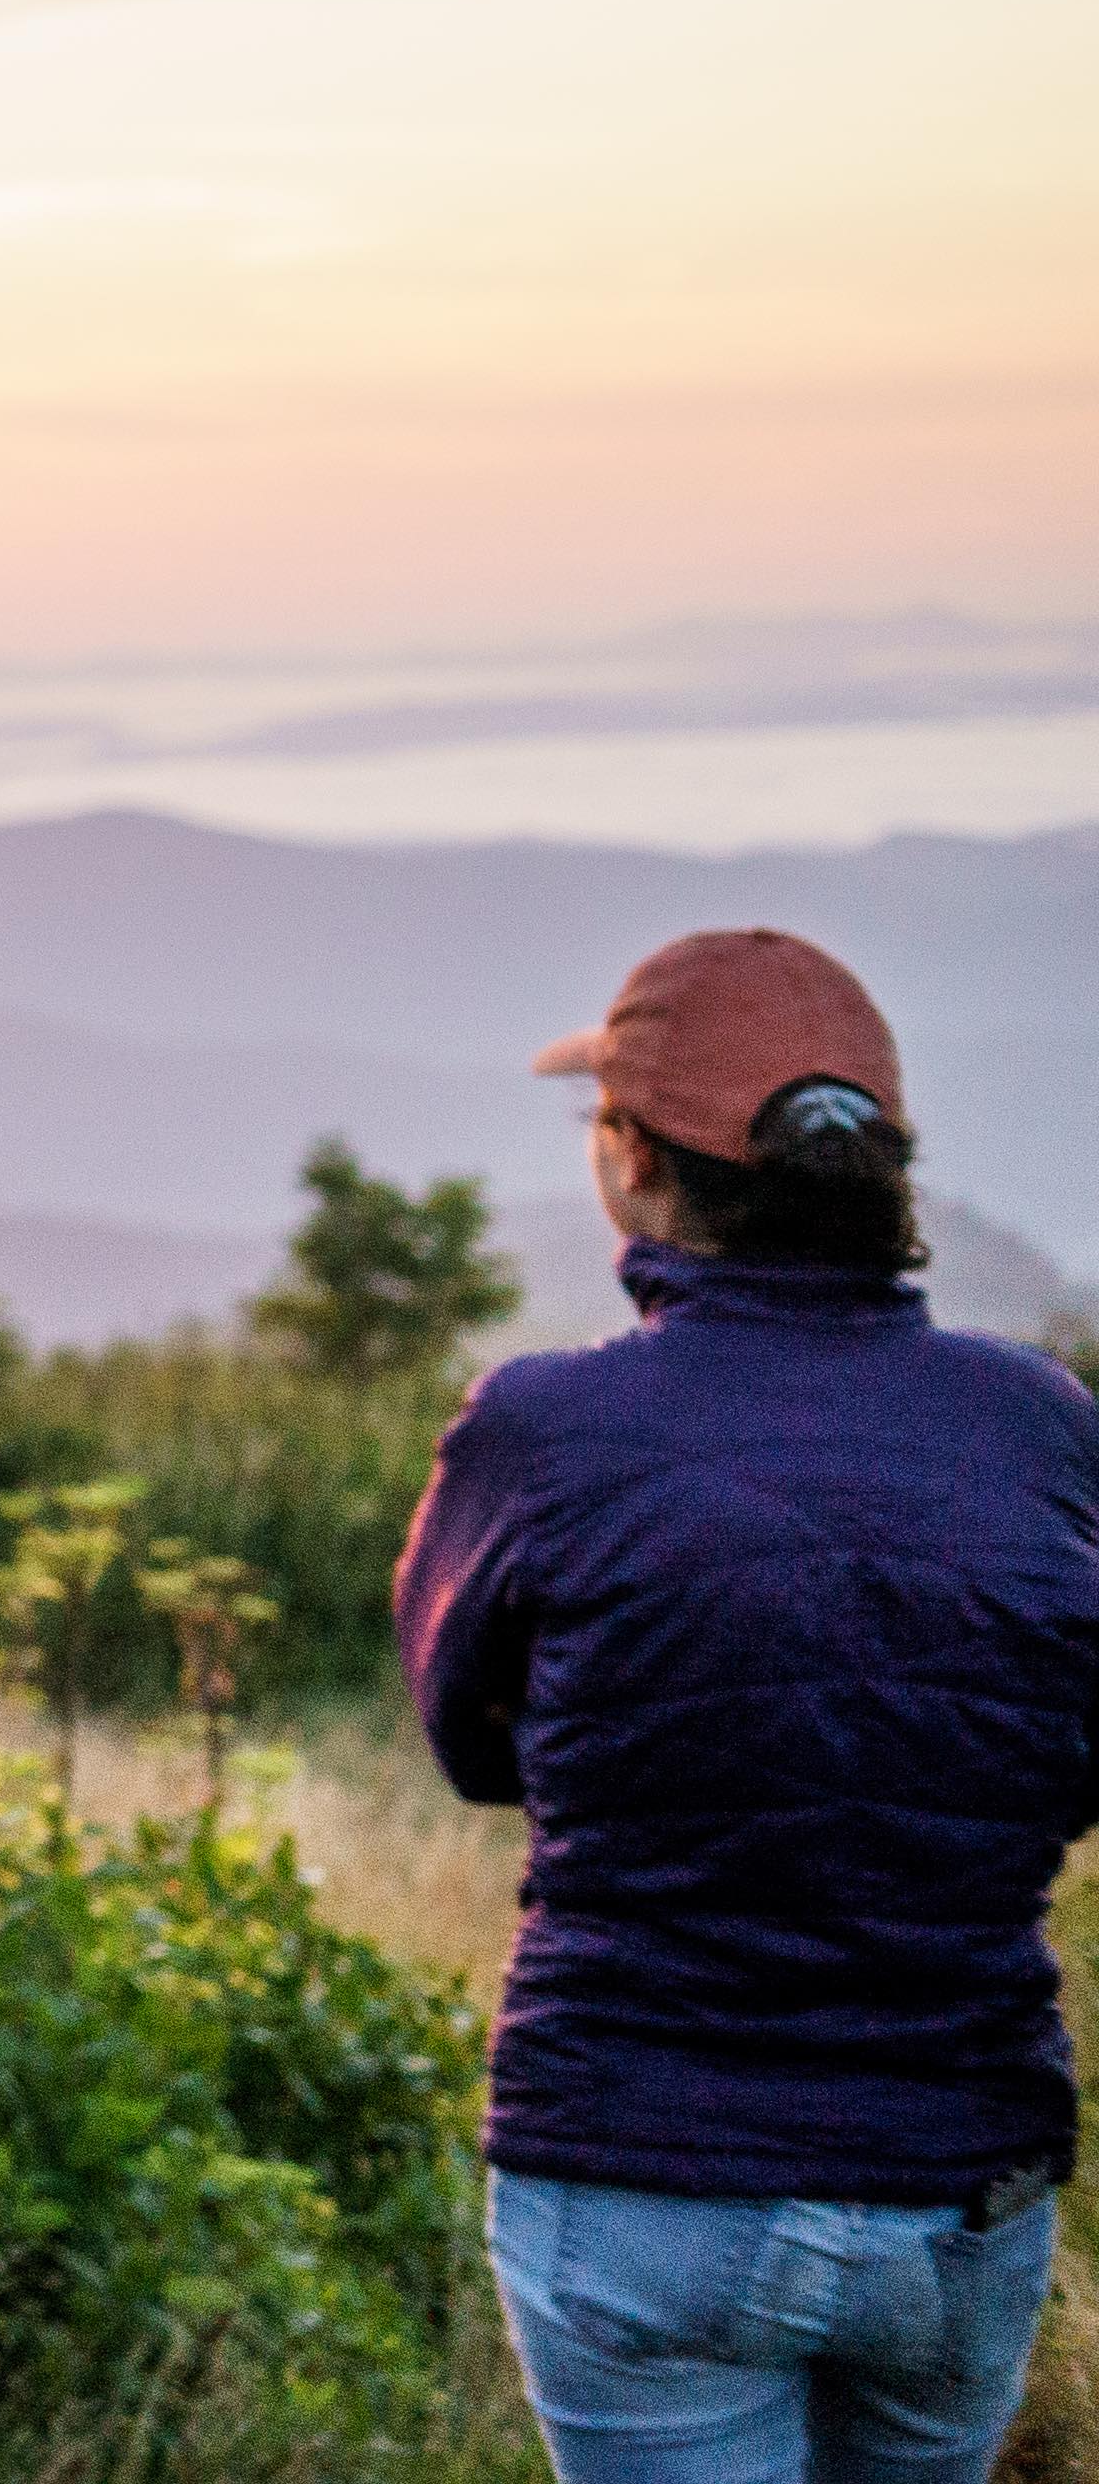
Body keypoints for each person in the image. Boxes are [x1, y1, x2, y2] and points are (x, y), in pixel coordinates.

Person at [396, 926, 1099, 2484]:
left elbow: (468, 1739)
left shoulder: (543, 1433)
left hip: (644, 2175)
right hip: (957, 2184)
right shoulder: (1044, 1430)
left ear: (636, 1159)